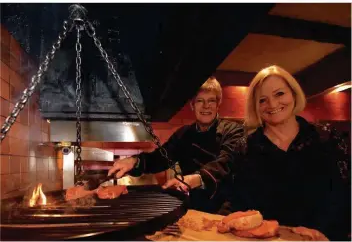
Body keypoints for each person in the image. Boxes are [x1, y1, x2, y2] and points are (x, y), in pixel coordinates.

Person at [228, 65, 350, 240]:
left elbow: (344, 195)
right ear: (255, 106)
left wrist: (324, 233)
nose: (272, 104)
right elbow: (238, 204)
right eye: (262, 100)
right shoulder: (245, 148)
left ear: (293, 93)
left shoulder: (328, 139)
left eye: (279, 94)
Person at [108, 76, 244, 213]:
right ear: (192, 105)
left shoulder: (233, 130)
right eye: (200, 101)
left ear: (218, 103)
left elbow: (226, 162)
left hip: (226, 208)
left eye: (211, 101)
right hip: (194, 206)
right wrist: (135, 161)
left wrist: (196, 178)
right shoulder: (184, 134)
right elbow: (161, 158)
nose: (206, 106)